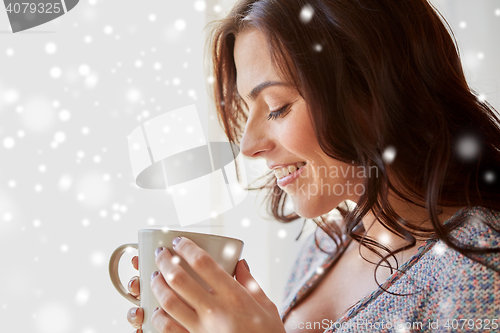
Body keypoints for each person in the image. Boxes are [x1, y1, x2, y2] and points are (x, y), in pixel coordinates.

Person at [125, 0, 500, 332]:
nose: (249, 147)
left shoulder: (480, 266)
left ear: (373, 91)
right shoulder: (323, 247)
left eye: (277, 106)